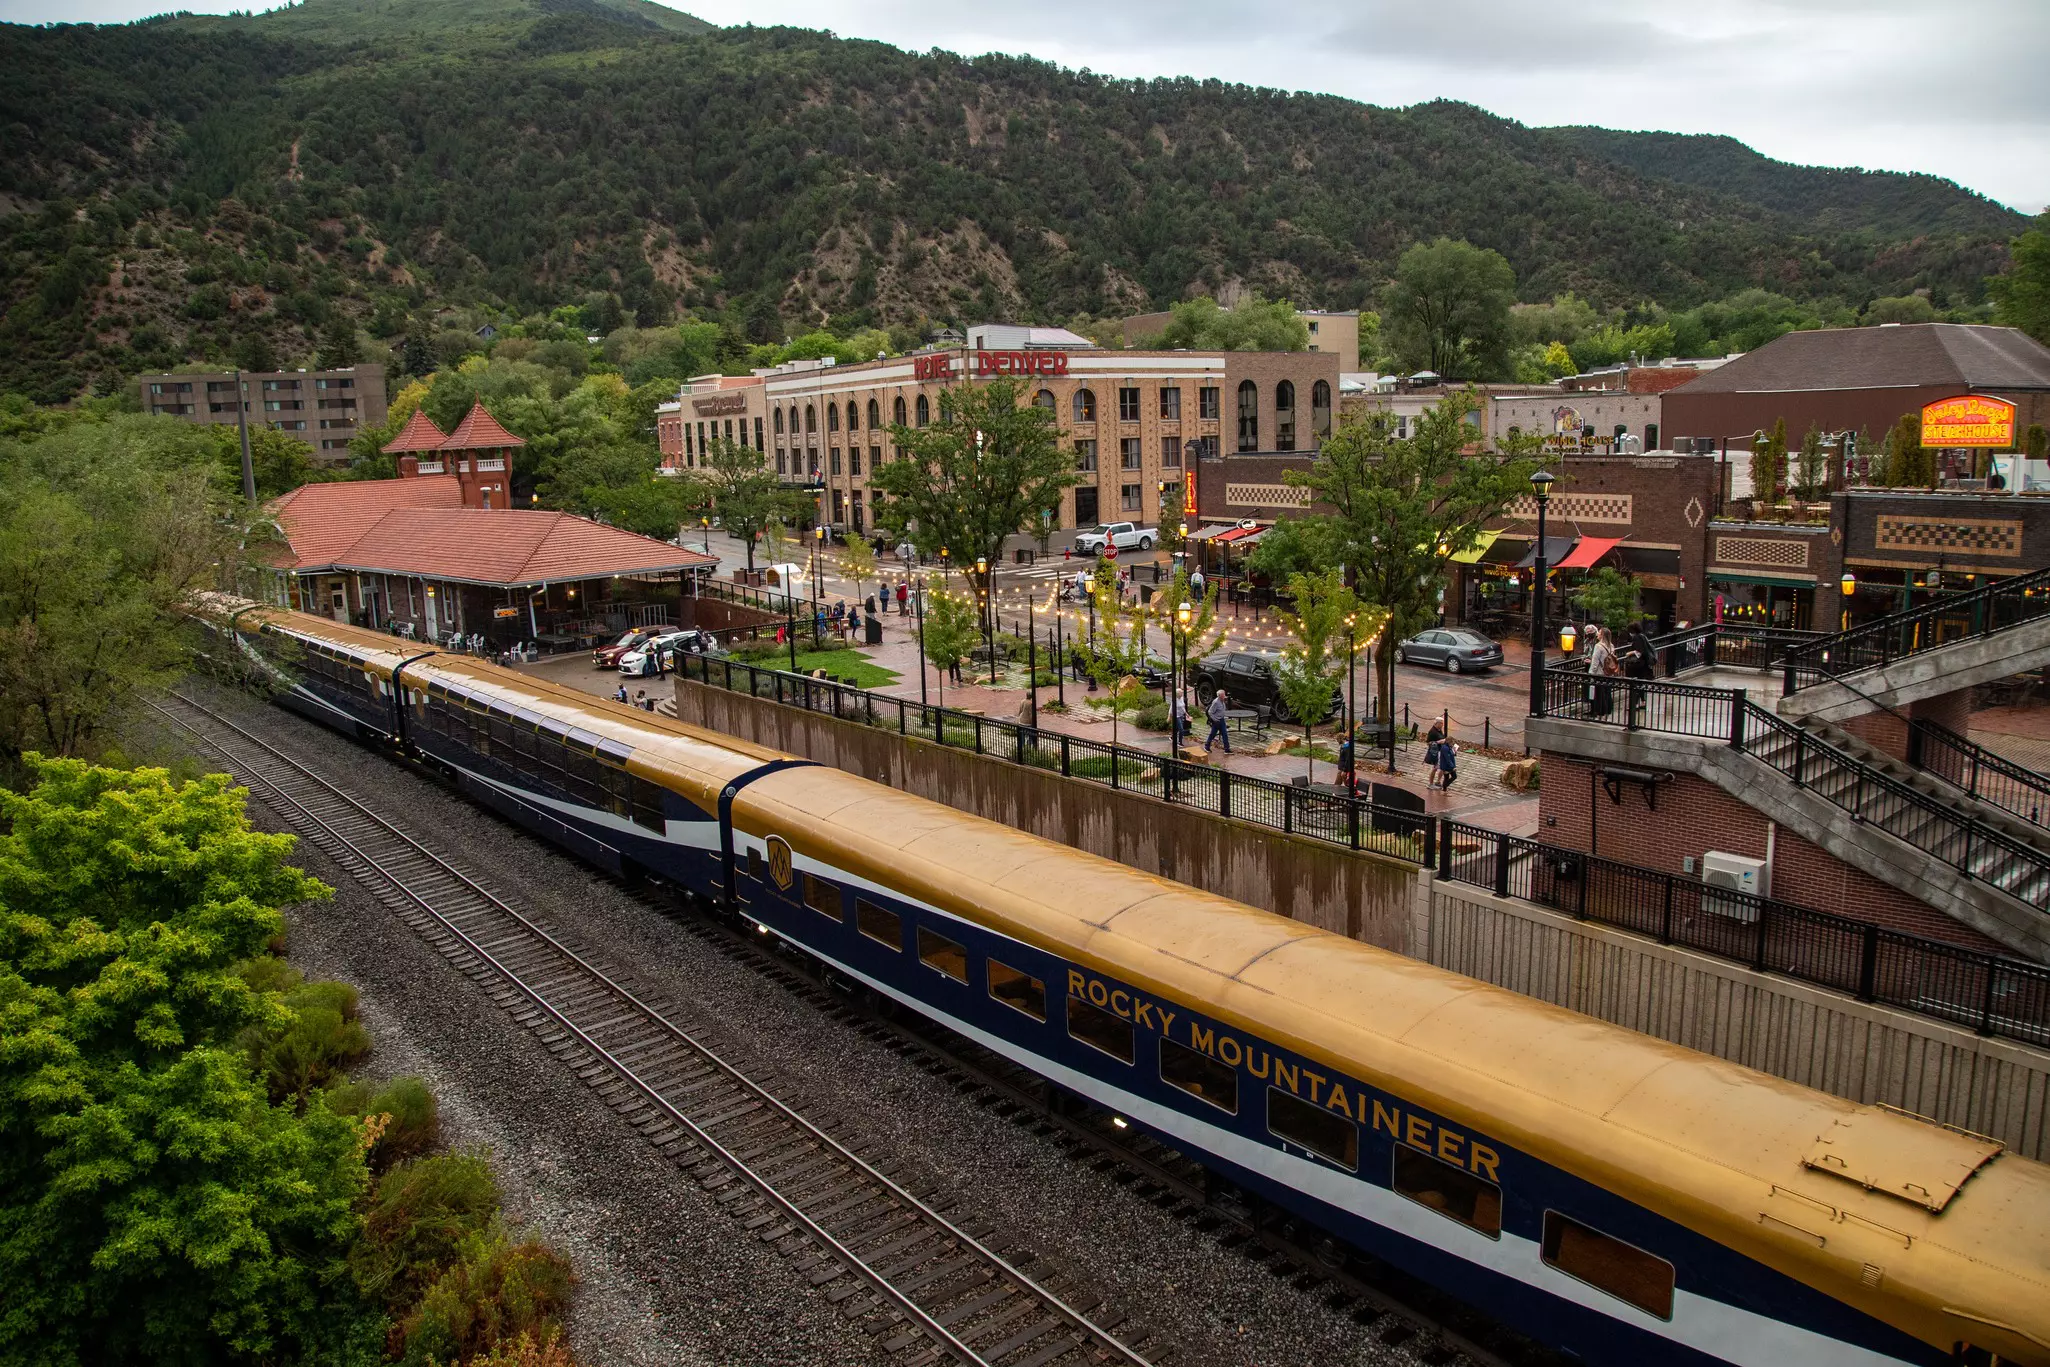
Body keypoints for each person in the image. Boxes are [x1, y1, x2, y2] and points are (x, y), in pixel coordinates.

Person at [1589, 626, 1620, 717]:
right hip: (1608, 673)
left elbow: (1595, 661)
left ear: (1602, 635)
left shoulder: (1598, 646)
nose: (1597, 634)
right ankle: (1607, 709)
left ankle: (1598, 710)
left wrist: (1591, 673)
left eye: (1599, 632)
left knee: (1598, 692)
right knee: (1607, 691)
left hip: (1599, 672)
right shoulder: (1611, 646)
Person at [1204, 689, 1232, 754]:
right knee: (1212, 734)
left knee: (1225, 734)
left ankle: (1227, 749)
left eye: (1224, 694)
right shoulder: (1216, 702)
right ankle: (1206, 746)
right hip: (1216, 721)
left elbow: (1221, 710)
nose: (1224, 696)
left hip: (1222, 720)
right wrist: (1215, 719)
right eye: (1223, 695)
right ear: (1219, 696)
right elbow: (1210, 712)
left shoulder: (1222, 701)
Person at [1423, 718, 1446, 790]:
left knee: (1442, 767)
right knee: (1435, 768)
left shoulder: (1439, 730)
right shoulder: (1432, 732)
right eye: (1441, 723)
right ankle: (1430, 784)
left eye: (1443, 723)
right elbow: (1428, 743)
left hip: (1441, 751)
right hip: (1436, 753)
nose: (1442, 725)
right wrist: (1439, 742)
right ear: (1436, 723)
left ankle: (1438, 782)